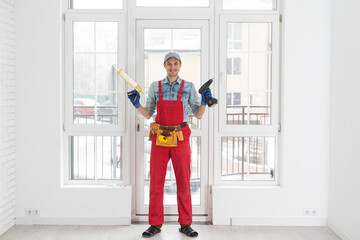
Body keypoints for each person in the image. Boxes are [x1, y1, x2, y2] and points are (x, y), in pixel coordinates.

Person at [127, 52, 213, 238]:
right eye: (169, 64)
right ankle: (155, 225)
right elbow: (148, 113)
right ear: (164, 66)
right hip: (160, 137)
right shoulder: (155, 87)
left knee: (183, 182)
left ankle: (185, 224)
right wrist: (136, 105)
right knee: (156, 182)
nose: (172, 67)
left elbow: (198, 115)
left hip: (180, 136)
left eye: (175, 63)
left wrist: (204, 103)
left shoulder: (188, 87)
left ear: (180, 65)